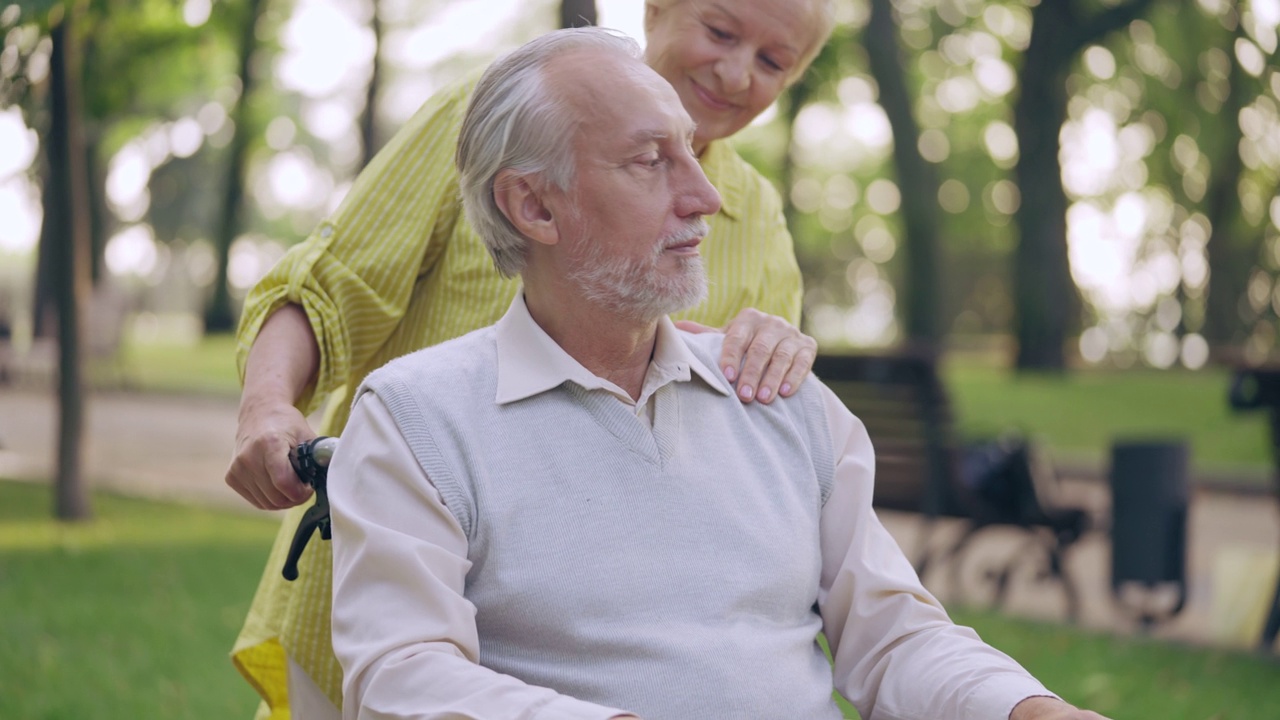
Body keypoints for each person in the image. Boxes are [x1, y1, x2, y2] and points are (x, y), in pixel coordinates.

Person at [328, 28, 1110, 720]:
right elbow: (403, 675)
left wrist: (1028, 709)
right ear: (533, 206)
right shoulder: (417, 418)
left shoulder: (781, 400)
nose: (703, 198)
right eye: (650, 162)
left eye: (692, 156)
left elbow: (895, 641)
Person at [228, 1, 835, 715]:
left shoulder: (755, 216)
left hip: (602, 648)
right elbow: (329, 289)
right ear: (658, 9)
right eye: (721, 31)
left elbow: (752, 454)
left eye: (773, 61)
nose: (735, 73)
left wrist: (777, 355)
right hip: (389, 608)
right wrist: (267, 405)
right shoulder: (498, 119)